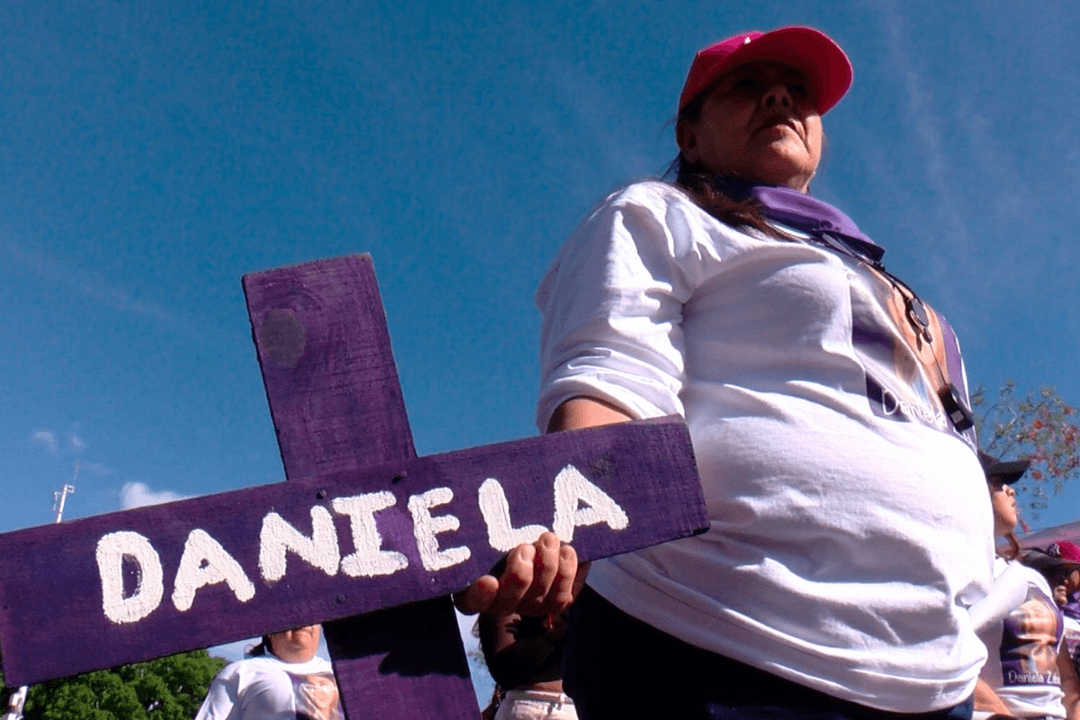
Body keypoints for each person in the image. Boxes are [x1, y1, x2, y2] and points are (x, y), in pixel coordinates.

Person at [457, 26, 991, 719]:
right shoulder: (660, 214)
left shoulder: (881, 277)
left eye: (800, 92)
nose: (781, 96)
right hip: (715, 642)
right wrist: (569, 526)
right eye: (747, 85)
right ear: (690, 136)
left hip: (934, 679)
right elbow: (611, 376)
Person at [973, 454, 1080, 720]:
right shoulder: (953, 569)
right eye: (997, 483)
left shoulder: (1030, 577)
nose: (1010, 490)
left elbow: (1063, 672)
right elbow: (941, 651)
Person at [195, 624, 342, 720]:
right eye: (291, 613)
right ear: (269, 631)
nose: (303, 621)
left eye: (311, 615)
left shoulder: (344, 675)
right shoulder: (241, 673)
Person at [476, 610, 578, 720]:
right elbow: (503, 669)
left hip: (573, 708)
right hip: (524, 706)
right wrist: (552, 633)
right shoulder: (507, 600)